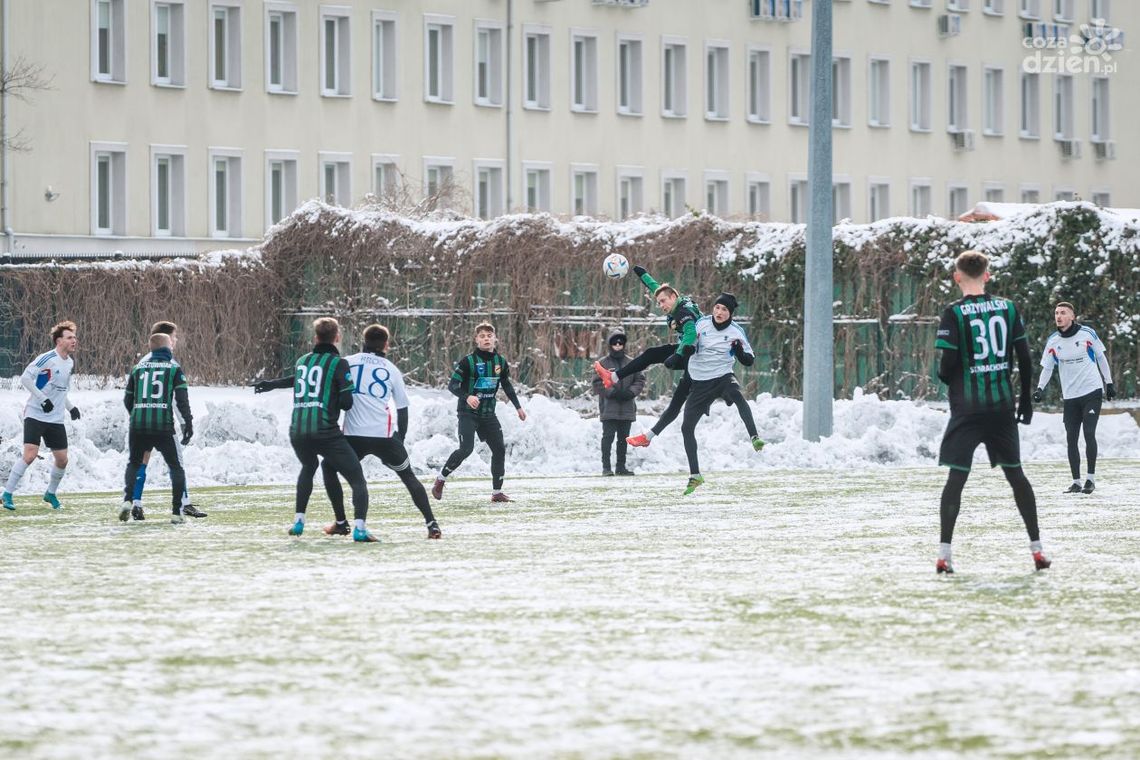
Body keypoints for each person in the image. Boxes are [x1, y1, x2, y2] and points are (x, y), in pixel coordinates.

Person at [933, 250, 1050, 574]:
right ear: (987, 275)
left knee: (957, 478)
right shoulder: (1007, 308)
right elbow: (1024, 358)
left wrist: (948, 377)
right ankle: (1037, 550)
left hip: (968, 411)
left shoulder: (953, 313)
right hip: (1001, 407)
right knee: (1016, 475)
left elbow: (946, 365)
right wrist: (1025, 400)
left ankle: (945, 554)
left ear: (957, 277)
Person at [305, 324, 442, 539]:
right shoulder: (391, 369)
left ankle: (341, 522)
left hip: (352, 437)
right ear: (386, 345)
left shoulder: (347, 362)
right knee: (408, 477)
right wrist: (400, 439)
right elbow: (402, 408)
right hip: (383, 436)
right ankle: (432, 524)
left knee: (328, 467)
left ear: (363, 341)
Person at [256, 317, 376, 542]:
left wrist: (271, 384)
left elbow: (300, 379)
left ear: (315, 338)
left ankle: (299, 520)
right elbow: (347, 402)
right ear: (337, 337)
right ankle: (360, 528)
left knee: (309, 467)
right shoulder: (339, 364)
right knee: (357, 479)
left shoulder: (303, 361)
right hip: (326, 432)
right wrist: (339, 395)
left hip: (298, 431)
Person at [592, 265, 702, 448]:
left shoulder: (682, 312)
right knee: (652, 355)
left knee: (680, 402)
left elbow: (691, 333)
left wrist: (678, 355)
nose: (661, 305)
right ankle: (612, 377)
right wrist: (642, 275)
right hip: (693, 354)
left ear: (673, 297)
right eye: (658, 302)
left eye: (662, 302)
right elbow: (657, 288)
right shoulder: (677, 301)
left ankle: (649, 437)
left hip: (697, 357)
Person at [676, 294, 764, 495]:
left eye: (724, 309)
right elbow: (687, 341)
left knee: (738, 395)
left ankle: (754, 436)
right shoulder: (701, 325)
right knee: (686, 427)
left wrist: (740, 353)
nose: (719, 312)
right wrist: (687, 348)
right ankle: (695, 475)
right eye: (717, 308)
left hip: (723, 377)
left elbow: (749, 359)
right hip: (699, 383)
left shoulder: (736, 332)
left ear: (730, 313)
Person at [432, 322, 527, 502]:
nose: (486, 339)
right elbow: (452, 385)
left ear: (495, 339)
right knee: (466, 449)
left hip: (488, 414)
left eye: (489, 336)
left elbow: (506, 385)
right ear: (476, 340)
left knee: (499, 449)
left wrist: (518, 407)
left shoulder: (500, 362)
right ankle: (440, 480)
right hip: (468, 412)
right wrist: (467, 396)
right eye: (482, 336)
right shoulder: (468, 361)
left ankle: (497, 492)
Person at [1033, 302, 1115, 494]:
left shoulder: (1087, 334)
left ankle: (1090, 480)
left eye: (1063, 313)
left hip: (1092, 391)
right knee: (1071, 438)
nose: (1058, 316)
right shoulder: (1053, 341)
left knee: (1088, 433)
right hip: (1070, 396)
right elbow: (1047, 367)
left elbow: (1101, 358)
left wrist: (1109, 383)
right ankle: (1076, 482)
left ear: (1072, 316)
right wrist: (1039, 388)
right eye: (1056, 313)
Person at [127, 321, 206, 520]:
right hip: (162, 423)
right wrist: (184, 423)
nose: (176, 340)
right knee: (176, 463)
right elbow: (175, 400)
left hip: (140, 422)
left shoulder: (143, 362)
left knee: (141, 461)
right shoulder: (169, 364)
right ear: (167, 339)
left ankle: (136, 504)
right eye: (175, 337)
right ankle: (183, 504)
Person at [3, 321, 80, 511]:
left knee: (62, 459)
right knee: (30, 455)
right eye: (70, 337)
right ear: (59, 340)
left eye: (74, 337)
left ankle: (50, 493)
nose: (74, 341)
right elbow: (25, 379)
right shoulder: (46, 359)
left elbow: (61, 391)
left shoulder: (70, 363)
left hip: (55, 419)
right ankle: (7, 494)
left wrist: (71, 408)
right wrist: (42, 399)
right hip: (35, 414)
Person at [592, 329, 645, 476]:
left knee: (623, 439)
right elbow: (597, 383)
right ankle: (606, 468)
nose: (618, 345)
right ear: (610, 344)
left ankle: (621, 467)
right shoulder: (603, 363)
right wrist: (612, 392)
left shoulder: (632, 362)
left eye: (620, 342)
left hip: (627, 407)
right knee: (607, 438)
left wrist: (630, 392)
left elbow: (639, 379)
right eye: (614, 342)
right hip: (609, 407)